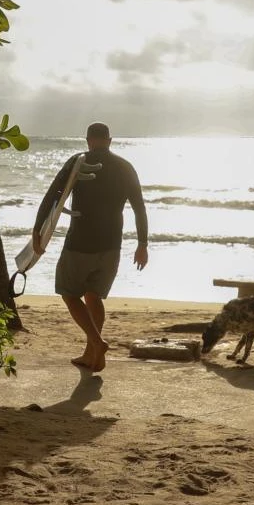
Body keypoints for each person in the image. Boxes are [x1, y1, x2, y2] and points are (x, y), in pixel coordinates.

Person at [31, 122, 148, 372]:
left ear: (88, 140)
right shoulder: (125, 167)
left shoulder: (78, 162)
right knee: (94, 295)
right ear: (110, 140)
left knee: (70, 293)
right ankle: (91, 354)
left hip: (79, 244)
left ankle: (97, 342)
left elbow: (53, 196)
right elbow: (139, 207)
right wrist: (142, 244)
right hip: (112, 246)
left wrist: (37, 231)